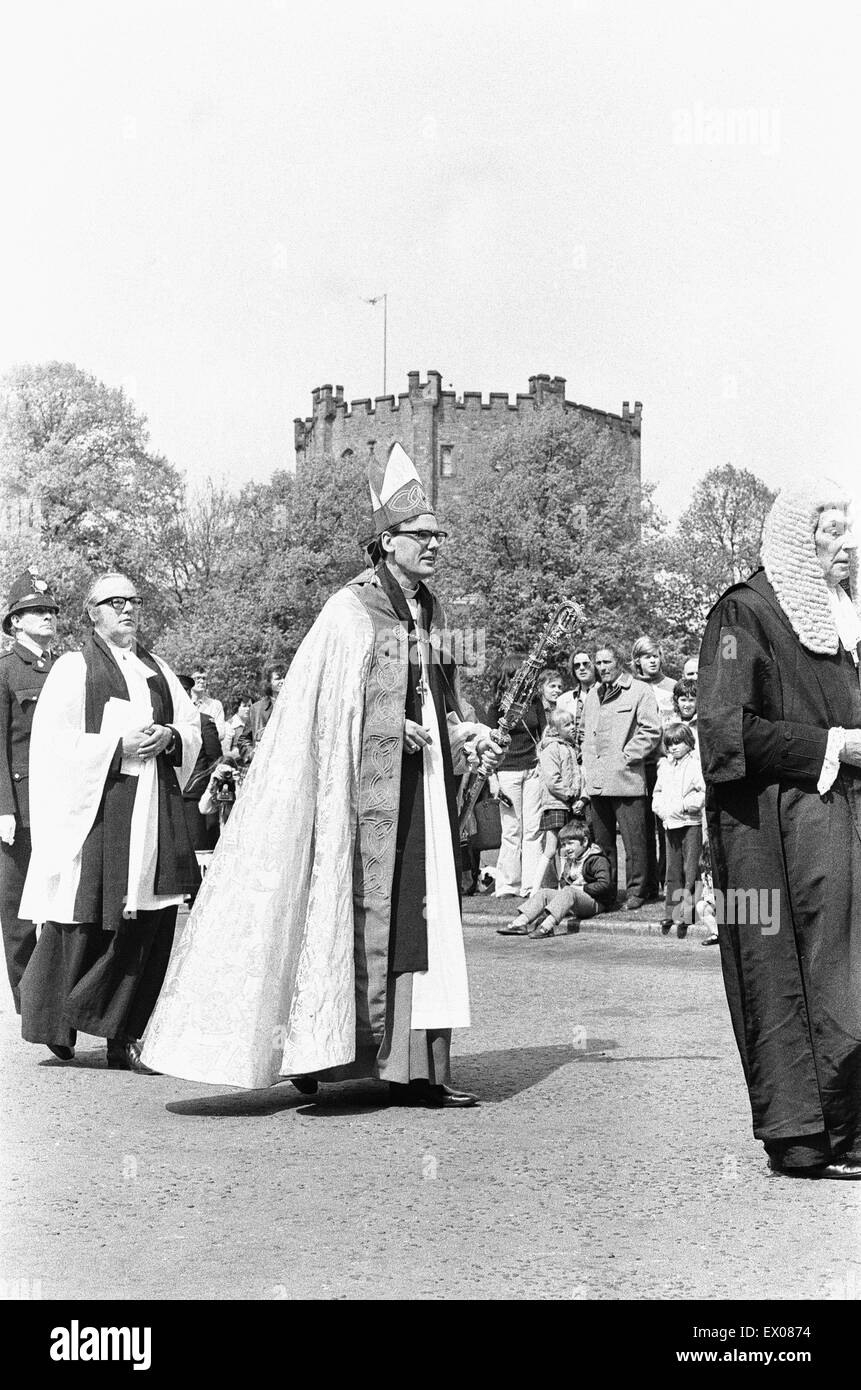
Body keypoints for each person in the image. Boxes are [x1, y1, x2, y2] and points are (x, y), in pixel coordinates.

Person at [142, 443, 502, 1107]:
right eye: (422, 537)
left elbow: (441, 696)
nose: (434, 548)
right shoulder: (348, 613)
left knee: (425, 923)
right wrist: (392, 731)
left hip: (420, 791)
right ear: (387, 541)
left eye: (438, 538)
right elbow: (324, 716)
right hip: (364, 799)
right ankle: (326, 1051)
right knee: (359, 916)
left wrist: (463, 730)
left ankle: (419, 1067)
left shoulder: (436, 613)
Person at [698, 484, 861, 1180]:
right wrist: (832, 746)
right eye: (830, 532)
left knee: (842, 971)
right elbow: (723, 731)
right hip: (769, 832)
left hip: (835, 817)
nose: (847, 544)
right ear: (798, 542)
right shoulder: (743, 613)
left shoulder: (841, 620)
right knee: (781, 971)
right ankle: (803, 1135)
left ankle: (844, 1127)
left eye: (848, 531)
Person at [18, 573, 202, 1072]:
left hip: (153, 809)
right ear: (92, 613)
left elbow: (192, 726)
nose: (127, 610)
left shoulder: (158, 667)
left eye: (133, 601)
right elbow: (55, 744)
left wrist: (170, 734)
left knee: (150, 916)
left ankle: (127, 1033)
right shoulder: (74, 669)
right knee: (86, 913)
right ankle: (57, 1020)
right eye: (114, 602)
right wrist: (115, 749)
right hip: (99, 808)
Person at [0, 569, 59, 1018]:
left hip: (63, 801)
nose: (46, 617)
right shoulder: (5, 670)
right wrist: (2, 808)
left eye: (50, 611)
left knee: (63, 904)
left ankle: (58, 997)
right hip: (21, 807)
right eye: (35, 611)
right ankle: (32, 1006)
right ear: (14, 623)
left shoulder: (65, 668)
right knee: (18, 908)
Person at [581, 641, 662, 909]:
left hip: (626, 778)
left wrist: (627, 756)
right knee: (603, 844)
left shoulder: (639, 690)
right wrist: (588, 763)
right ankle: (606, 892)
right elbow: (583, 732)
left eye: (607, 662)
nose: (601, 667)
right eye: (598, 663)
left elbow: (651, 730)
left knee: (634, 842)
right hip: (597, 781)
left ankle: (637, 891)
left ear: (620, 662)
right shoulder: (593, 694)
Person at [486, 658, 546, 898]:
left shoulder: (535, 702)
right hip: (507, 771)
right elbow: (491, 744)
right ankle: (508, 885)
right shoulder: (497, 707)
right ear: (507, 678)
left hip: (532, 770)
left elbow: (542, 733)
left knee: (533, 830)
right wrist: (493, 780)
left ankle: (531, 885)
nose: (520, 681)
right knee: (512, 830)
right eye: (515, 676)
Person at [497, 819, 613, 937]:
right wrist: (567, 889)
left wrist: (579, 888)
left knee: (569, 891)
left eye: (571, 843)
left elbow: (604, 885)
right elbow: (564, 880)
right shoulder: (572, 859)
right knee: (544, 893)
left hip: (596, 903)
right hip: (573, 899)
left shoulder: (597, 859)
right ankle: (519, 923)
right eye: (564, 844)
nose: (567, 848)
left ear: (584, 841)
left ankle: (546, 926)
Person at [632, 636, 677, 900]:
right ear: (637, 660)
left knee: (666, 824)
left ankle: (667, 880)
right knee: (643, 827)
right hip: (640, 764)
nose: (652, 660)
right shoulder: (632, 687)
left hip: (666, 761)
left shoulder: (672, 686)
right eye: (647, 656)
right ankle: (647, 884)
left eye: (656, 655)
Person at [651, 721, 705, 938]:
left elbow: (702, 793)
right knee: (672, 870)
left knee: (690, 869)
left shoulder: (695, 765)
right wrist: (661, 810)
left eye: (678, 743)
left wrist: (685, 805)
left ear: (689, 743)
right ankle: (671, 911)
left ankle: (688, 913)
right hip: (670, 823)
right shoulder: (665, 766)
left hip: (690, 823)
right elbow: (658, 792)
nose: (673, 747)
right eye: (670, 744)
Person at [533, 707, 582, 889]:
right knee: (551, 848)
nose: (572, 728)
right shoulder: (552, 748)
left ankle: (564, 887)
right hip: (556, 803)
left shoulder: (568, 747)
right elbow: (552, 780)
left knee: (564, 848)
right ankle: (535, 888)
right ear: (555, 729)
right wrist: (569, 794)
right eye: (567, 725)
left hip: (565, 804)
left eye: (573, 724)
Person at [176, 674, 223, 853]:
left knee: (199, 853)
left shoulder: (204, 721)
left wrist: (209, 794)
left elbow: (215, 761)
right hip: (169, 797)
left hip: (195, 800)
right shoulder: (163, 723)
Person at [238, 662, 287, 758]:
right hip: (264, 764)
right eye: (278, 678)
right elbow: (243, 740)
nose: (283, 681)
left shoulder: (297, 705)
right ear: (269, 683)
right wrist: (252, 753)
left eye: (285, 677)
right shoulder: (256, 709)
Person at [556, 650, 596, 765]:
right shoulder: (563, 700)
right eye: (577, 665)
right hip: (571, 762)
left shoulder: (606, 695)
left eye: (586, 664)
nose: (582, 668)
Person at [191, 669, 226, 749]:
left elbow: (221, 733)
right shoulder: (184, 704)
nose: (202, 681)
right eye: (198, 678)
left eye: (204, 678)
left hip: (210, 752)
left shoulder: (215, 705)